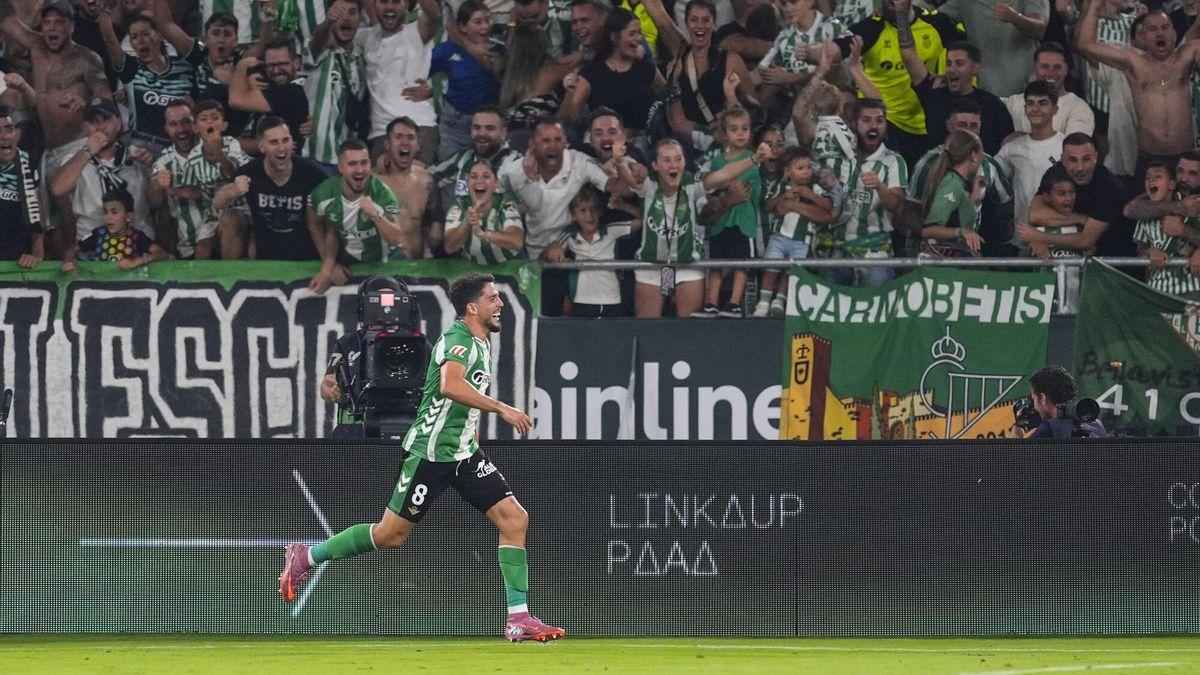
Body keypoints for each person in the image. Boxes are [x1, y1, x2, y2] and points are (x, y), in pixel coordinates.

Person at [279, 272, 565, 644]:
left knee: (514, 518)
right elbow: (450, 385)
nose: (500, 304)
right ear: (472, 307)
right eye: (493, 298)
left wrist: (471, 430)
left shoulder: (481, 341)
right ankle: (306, 556)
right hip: (430, 453)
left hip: (462, 452)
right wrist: (502, 409)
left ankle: (519, 618)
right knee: (390, 535)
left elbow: (459, 401)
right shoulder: (457, 340)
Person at [614, 137, 771, 317]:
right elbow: (629, 178)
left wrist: (754, 159)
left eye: (678, 159)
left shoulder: (691, 184)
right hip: (652, 265)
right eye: (667, 160)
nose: (674, 165)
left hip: (686, 265)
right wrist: (619, 160)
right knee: (648, 328)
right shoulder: (649, 184)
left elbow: (724, 173)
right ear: (655, 165)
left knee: (688, 329)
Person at [499, 119, 613, 315]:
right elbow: (494, 196)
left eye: (557, 139)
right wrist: (516, 207)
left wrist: (622, 164)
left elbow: (616, 186)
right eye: (546, 140)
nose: (552, 146)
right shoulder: (513, 171)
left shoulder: (579, 163)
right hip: (529, 254)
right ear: (532, 144)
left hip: (567, 250)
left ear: (566, 142)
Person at [832, 0, 966, 166]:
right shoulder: (871, 28)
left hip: (928, 119)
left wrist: (950, 75)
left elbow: (911, 54)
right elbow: (833, 49)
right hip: (889, 121)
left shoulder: (937, 24)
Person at [1077, 3, 1200, 184]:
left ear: (1174, 34)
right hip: (1149, 158)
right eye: (1153, 29)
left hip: (1185, 158)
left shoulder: (1187, 54)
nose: (1159, 33)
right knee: (1143, 202)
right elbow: (1084, 45)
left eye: (1165, 27)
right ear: (1144, 36)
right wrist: (1095, 6)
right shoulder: (1132, 62)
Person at [819, 98, 907, 288]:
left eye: (880, 120)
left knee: (873, 303)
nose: (874, 126)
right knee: (831, 305)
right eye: (867, 120)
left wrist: (880, 187)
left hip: (874, 252)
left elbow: (897, 206)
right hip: (833, 250)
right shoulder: (835, 157)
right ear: (854, 124)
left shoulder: (893, 161)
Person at [909, 98, 1012, 256]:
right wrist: (959, 233)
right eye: (962, 125)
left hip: (964, 252)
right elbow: (921, 220)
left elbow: (1006, 210)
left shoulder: (986, 167)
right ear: (949, 126)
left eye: (974, 126)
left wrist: (974, 198)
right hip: (936, 255)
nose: (968, 132)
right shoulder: (938, 172)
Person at [214, 116, 326, 260]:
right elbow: (217, 203)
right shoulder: (251, 172)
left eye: (285, 140)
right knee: (231, 217)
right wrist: (234, 191)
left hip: (306, 257)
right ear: (262, 147)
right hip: (266, 258)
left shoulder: (310, 172)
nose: (281, 148)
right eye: (274, 142)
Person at [97, 3, 202, 153]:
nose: (140, 40)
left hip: (179, 145)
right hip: (139, 145)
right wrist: (103, 9)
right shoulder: (131, 68)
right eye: (134, 37)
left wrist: (194, 106)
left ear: (160, 35)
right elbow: (109, 39)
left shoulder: (185, 67)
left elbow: (204, 51)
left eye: (145, 34)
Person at [49, 96, 155, 244]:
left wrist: (152, 167)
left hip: (137, 243)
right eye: (93, 121)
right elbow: (57, 189)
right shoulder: (75, 159)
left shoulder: (138, 156)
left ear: (118, 123)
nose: (100, 126)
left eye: (106, 119)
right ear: (84, 128)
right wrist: (88, 151)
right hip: (92, 245)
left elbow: (158, 203)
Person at [307, 139, 408, 293]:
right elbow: (316, 224)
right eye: (352, 164)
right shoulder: (323, 194)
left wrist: (376, 215)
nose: (359, 170)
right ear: (340, 167)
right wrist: (329, 267)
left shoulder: (383, 194)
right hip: (348, 260)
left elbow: (397, 238)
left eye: (364, 163)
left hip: (387, 259)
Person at [755, 147, 839, 317]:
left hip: (802, 241)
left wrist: (811, 196)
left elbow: (828, 206)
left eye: (809, 167)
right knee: (771, 269)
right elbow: (768, 206)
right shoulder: (782, 185)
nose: (807, 172)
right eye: (801, 168)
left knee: (791, 273)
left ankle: (779, 300)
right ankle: (763, 303)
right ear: (788, 171)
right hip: (779, 238)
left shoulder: (814, 188)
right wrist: (783, 197)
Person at [697, 106, 763, 318]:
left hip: (743, 221)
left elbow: (743, 188)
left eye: (745, 128)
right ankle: (711, 302)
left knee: (741, 264)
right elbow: (712, 188)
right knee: (716, 263)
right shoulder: (717, 161)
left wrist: (724, 183)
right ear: (724, 134)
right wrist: (723, 186)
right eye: (734, 129)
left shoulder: (753, 158)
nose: (740, 134)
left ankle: (734, 303)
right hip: (720, 222)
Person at [417, 0, 504, 160]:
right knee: (451, 172)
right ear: (463, 27)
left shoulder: (499, 50)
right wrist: (428, 91)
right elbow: (418, 72)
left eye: (487, 20)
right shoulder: (447, 50)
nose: (485, 26)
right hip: (455, 128)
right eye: (478, 22)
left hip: (488, 129)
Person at [357, 0, 440, 165]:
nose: (389, 6)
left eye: (396, 1)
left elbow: (434, 15)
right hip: (381, 131)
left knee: (418, 180)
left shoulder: (417, 32)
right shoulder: (365, 37)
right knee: (381, 181)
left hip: (419, 125)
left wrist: (431, 91)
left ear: (406, 5)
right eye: (383, 1)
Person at [1022, 133, 1129, 260]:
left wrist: (1038, 237)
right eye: (1073, 160)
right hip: (1065, 256)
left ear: (1096, 157)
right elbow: (1035, 215)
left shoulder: (1109, 185)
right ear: (1062, 159)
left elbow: (1086, 240)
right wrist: (1081, 219)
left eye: (1086, 159)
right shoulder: (1056, 173)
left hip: (1110, 259)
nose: (1080, 167)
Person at [560, 7, 664, 138]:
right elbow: (570, 118)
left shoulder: (646, 67)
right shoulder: (592, 72)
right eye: (632, 34)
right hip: (607, 146)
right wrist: (569, 93)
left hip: (646, 144)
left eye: (639, 33)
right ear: (614, 38)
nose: (639, 38)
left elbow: (666, 97)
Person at [904, 40, 1015, 155]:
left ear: (975, 68)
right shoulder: (934, 95)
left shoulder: (993, 105)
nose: (951, 69)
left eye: (959, 64)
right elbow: (908, 54)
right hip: (940, 164)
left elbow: (1007, 146)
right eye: (948, 64)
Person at [545, 185, 640, 317]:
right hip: (581, 300)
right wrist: (554, 248)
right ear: (573, 215)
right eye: (583, 210)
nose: (589, 215)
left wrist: (623, 206)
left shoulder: (612, 230)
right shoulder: (569, 235)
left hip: (612, 299)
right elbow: (550, 249)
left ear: (600, 211)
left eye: (593, 209)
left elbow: (645, 220)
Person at [666, 1, 756, 141]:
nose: (700, 25)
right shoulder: (678, 64)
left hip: (729, 140)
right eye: (694, 20)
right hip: (691, 142)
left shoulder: (730, 60)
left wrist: (731, 108)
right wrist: (673, 83)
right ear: (686, 24)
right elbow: (677, 121)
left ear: (714, 24)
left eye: (705, 20)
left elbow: (753, 108)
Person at [937, 0, 1048, 98]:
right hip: (985, 88)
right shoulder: (964, 2)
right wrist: (951, 75)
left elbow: (1039, 29)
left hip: (1023, 88)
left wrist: (1016, 18)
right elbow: (935, 20)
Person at [304, 0, 366, 170]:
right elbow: (316, 42)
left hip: (345, 158)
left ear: (360, 18)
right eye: (339, 12)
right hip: (315, 154)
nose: (345, 18)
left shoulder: (361, 60)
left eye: (352, 12)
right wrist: (328, 23)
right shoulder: (322, 52)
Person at [430, 106, 521, 222]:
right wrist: (436, 220)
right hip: (460, 229)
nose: (481, 133)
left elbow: (529, 208)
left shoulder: (517, 164)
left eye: (489, 128)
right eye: (477, 128)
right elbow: (428, 178)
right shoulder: (463, 157)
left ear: (503, 133)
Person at [994, 81, 1066, 227]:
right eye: (1030, 103)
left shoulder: (1067, 146)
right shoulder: (1012, 148)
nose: (1035, 109)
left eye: (1042, 103)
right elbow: (990, 174)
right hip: (1023, 233)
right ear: (1025, 108)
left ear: (1055, 109)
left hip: (1062, 231)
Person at [146, 98, 209, 258]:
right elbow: (153, 203)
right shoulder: (163, 161)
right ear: (166, 129)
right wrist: (157, 186)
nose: (181, 129)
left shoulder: (213, 149)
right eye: (173, 124)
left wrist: (182, 192)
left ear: (195, 123)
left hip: (223, 237)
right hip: (189, 246)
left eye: (186, 122)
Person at [756, 0, 848, 109]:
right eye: (784, 3)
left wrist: (792, 78)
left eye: (793, 2)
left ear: (809, 2)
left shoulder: (834, 26)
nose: (788, 9)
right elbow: (763, 72)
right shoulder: (784, 37)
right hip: (801, 106)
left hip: (837, 102)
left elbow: (835, 72)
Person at [498, 23, 574, 153]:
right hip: (513, 140)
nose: (507, 46)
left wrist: (583, 55)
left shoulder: (555, 71)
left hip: (537, 140)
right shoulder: (510, 77)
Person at [229, 37, 309, 156]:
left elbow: (236, 100)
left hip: (280, 163)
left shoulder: (293, 92)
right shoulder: (267, 86)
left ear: (296, 63)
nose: (276, 70)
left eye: (282, 64)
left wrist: (242, 65)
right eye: (271, 65)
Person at [1133, 162, 1200, 299]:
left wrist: (1184, 231)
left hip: (1193, 288)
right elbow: (1141, 249)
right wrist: (1150, 251)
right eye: (1148, 178)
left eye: (1158, 176)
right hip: (1158, 290)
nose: (1151, 180)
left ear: (1171, 185)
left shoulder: (1193, 206)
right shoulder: (1144, 215)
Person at [917, 129, 987, 257]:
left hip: (955, 259)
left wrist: (972, 199)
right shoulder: (953, 184)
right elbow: (928, 230)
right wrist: (962, 232)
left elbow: (955, 216)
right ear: (974, 155)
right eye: (982, 154)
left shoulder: (958, 182)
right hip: (943, 261)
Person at [60, 188, 167, 272]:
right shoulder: (97, 235)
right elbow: (72, 249)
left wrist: (136, 262)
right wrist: (68, 262)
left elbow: (161, 253)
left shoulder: (137, 237)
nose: (108, 217)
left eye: (114, 212)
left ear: (128, 216)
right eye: (105, 212)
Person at [1001, 42, 1095, 136]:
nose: (1050, 73)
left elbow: (1076, 144)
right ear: (1035, 68)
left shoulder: (1078, 108)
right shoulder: (1014, 103)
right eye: (1044, 67)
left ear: (1066, 69)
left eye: (1057, 67)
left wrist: (1023, 140)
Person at [374, 116, 435, 260]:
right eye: (399, 137)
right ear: (387, 144)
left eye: (410, 137)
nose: (405, 142)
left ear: (418, 145)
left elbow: (432, 226)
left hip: (416, 266)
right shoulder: (372, 181)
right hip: (380, 266)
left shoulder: (427, 179)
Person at [443, 159, 526, 264]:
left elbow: (516, 241)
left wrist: (483, 234)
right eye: (473, 177)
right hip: (473, 267)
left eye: (486, 177)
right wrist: (466, 223)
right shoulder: (459, 204)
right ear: (467, 183)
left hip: (509, 265)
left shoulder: (506, 202)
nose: (479, 181)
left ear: (496, 183)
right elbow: (449, 247)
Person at [1010, 365, 1109, 438]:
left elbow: (1016, 459)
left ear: (1042, 398)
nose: (1034, 406)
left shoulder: (1049, 429)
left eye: (1033, 399)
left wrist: (1016, 435)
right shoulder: (1095, 424)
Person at [0, 106, 44, 268]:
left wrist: (37, 254)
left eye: (8, 129)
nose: (4, 136)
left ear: (17, 134)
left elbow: (36, 211)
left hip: (17, 257)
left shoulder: (28, 163)